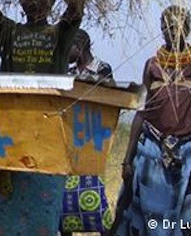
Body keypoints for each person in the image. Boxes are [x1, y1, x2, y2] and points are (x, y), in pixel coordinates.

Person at [0, 0, 83, 236]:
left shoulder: (59, 36)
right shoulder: (9, 34)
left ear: (51, 1)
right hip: (8, 137)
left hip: (48, 141)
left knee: (41, 217)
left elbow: (76, 8)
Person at [114, 6, 191, 236]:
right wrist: (127, 159)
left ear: (186, 29)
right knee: (148, 217)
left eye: (176, 26)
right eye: (166, 27)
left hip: (188, 151)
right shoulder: (153, 65)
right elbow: (142, 111)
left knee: (185, 218)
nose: (171, 32)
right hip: (152, 150)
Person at [59, 29, 115, 236]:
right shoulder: (69, 71)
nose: (66, 53)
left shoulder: (102, 69)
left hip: (93, 141)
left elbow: (106, 100)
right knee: (66, 199)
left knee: (94, 192)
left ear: (80, 47)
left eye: (69, 48)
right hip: (70, 140)